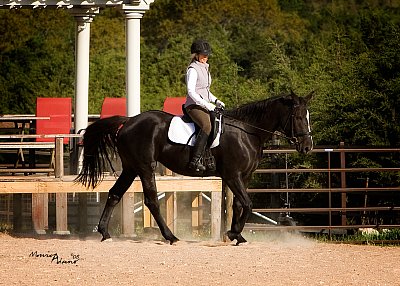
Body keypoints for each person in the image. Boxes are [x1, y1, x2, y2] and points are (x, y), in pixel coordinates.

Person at [184, 39, 225, 172]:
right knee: (207, 125)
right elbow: (191, 91)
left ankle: (209, 157)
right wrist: (207, 105)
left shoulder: (205, 68)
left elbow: (205, 90)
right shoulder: (193, 69)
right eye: (203, 54)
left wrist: (216, 100)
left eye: (207, 55)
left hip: (204, 104)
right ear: (196, 55)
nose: (205, 57)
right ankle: (195, 160)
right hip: (193, 105)